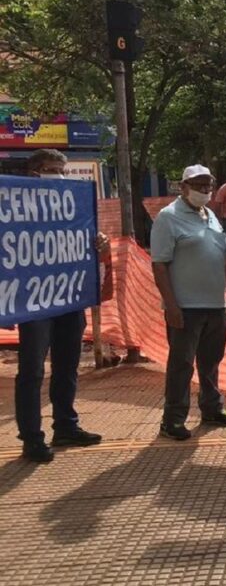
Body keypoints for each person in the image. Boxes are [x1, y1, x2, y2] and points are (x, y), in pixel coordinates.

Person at [14, 149, 109, 463]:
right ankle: (31, 437)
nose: (58, 175)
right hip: (34, 302)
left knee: (67, 365)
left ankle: (66, 425)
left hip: (69, 299)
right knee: (32, 369)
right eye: (50, 169)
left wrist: (98, 244)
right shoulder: (14, 210)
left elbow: (84, 243)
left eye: (62, 170)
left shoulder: (74, 208)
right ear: (33, 173)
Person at [150, 165, 226, 441]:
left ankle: (212, 408)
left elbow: (224, 252)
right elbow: (159, 265)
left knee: (211, 361)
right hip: (185, 307)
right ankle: (173, 420)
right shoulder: (168, 218)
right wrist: (172, 305)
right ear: (183, 186)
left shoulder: (210, 215)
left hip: (216, 305)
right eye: (199, 184)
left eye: (208, 185)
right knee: (181, 364)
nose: (204, 190)